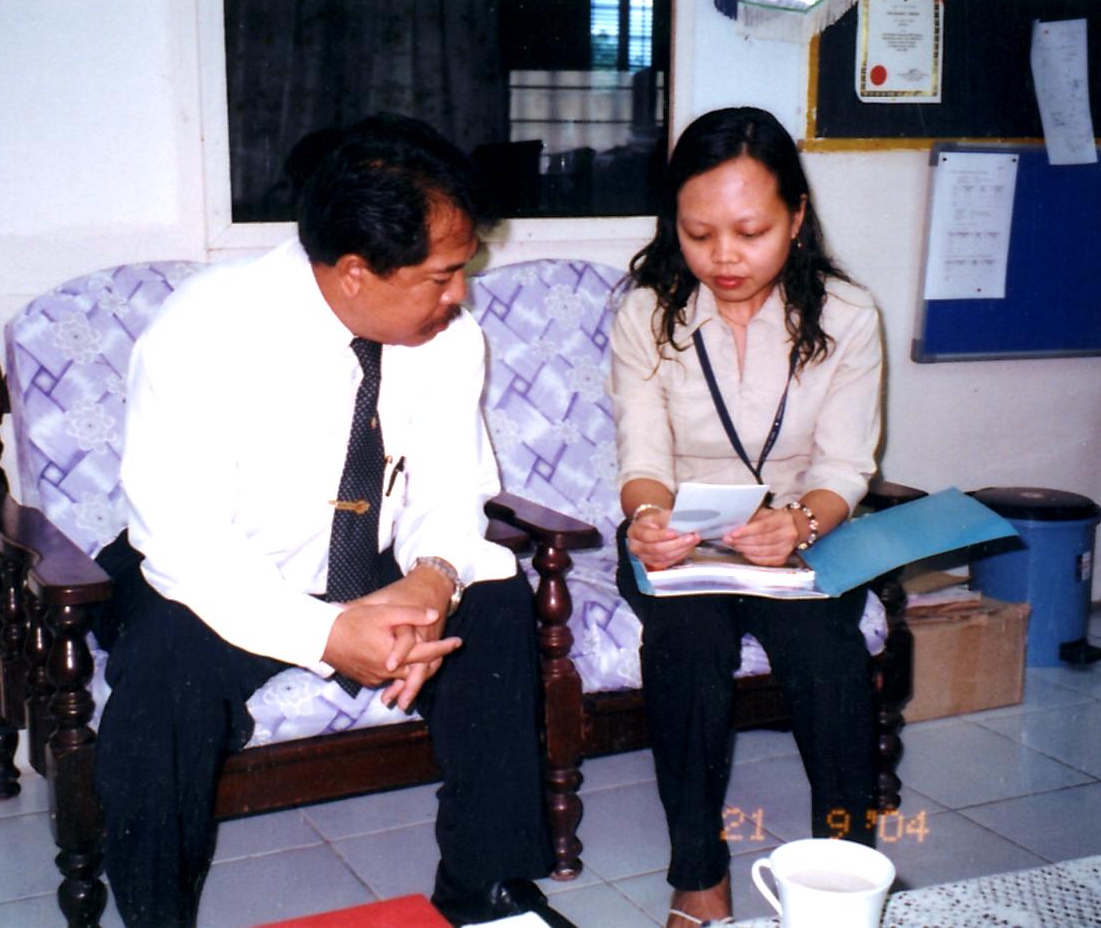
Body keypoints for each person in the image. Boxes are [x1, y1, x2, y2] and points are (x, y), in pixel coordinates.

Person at [93, 113, 571, 928]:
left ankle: (486, 892)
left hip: (364, 560)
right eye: (441, 275)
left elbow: (451, 489)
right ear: (354, 273)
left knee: (494, 605)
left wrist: (432, 580)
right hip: (215, 573)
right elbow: (184, 539)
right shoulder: (203, 331)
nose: (459, 295)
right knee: (163, 673)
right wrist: (325, 636)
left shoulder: (449, 338)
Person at [610, 107, 884, 926]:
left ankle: (842, 868)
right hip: (681, 532)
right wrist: (649, 519)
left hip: (799, 534)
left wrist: (798, 523)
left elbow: (843, 468)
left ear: (795, 218)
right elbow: (642, 460)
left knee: (828, 656)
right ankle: (698, 875)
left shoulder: (845, 317)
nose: (723, 257)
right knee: (687, 646)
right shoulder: (646, 315)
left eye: (749, 232)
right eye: (697, 234)